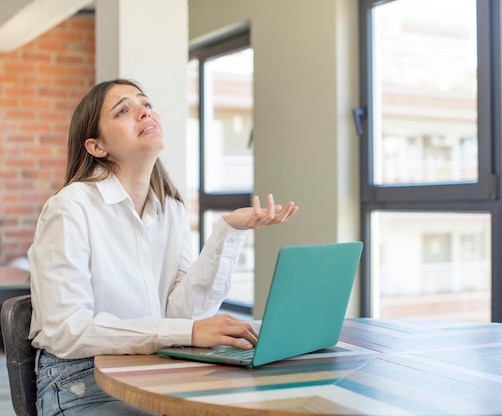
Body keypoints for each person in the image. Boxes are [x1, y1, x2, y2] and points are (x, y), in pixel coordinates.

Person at [27, 78, 298, 416]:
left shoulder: (172, 209)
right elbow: (66, 330)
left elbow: (185, 315)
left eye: (146, 104)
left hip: (156, 370)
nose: (144, 111)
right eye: (123, 110)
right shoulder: (70, 207)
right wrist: (186, 332)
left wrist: (228, 232)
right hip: (82, 379)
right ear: (97, 147)